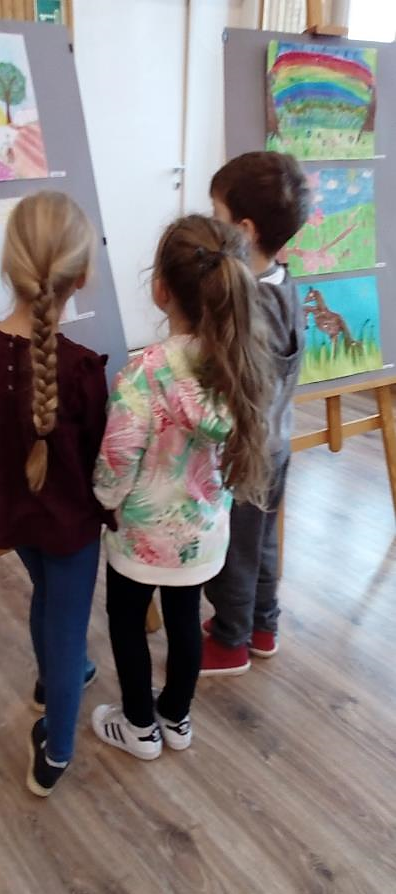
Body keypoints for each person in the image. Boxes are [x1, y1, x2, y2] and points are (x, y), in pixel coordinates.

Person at [91, 215, 274, 759]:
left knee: (127, 623)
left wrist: (104, 502)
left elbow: (117, 460)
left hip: (140, 539)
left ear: (160, 290)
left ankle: (139, 726)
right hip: (201, 538)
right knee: (185, 622)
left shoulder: (143, 374)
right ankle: (176, 716)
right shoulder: (240, 368)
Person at [0, 191, 109, 796]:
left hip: (14, 513)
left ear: (10, 265)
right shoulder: (81, 369)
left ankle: (53, 681)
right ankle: (57, 751)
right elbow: (99, 457)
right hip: (70, 525)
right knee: (66, 621)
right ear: (82, 275)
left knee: (46, 593)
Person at [200, 151, 310, 676]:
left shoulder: (252, 305)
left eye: (216, 215)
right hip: (276, 444)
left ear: (243, 230)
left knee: (238, 551)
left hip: (246, 453)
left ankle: (231, 641)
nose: (211, 224)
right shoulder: (284, 283)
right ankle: (262, 626)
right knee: (262, 543)